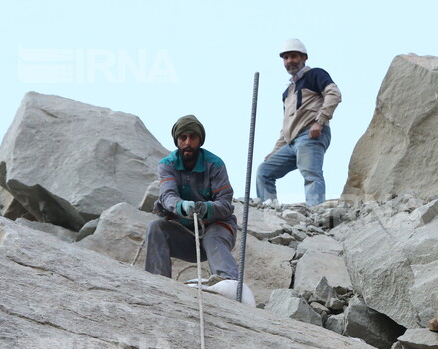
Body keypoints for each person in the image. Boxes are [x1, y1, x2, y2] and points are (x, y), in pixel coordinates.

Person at [145, 115, 239, 283]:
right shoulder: (167, 165)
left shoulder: (215, 165)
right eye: (183, 138)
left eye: (192, 137)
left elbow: (225, 204)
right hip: (185, 234)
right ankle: (158, 283)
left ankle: (228, 282)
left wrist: (206, 208)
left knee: (212, 237)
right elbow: (167, 195)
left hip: (216, 228)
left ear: (200, 140)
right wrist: (180, 206)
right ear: (177, 141)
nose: (188, 143)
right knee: (156, 228)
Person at [256, 38, 342, 208]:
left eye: (293, 56)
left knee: (311, 174)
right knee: (264, 171)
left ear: (304, 57)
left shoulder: (315, 75)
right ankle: (269, 209)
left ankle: (316, 213)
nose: (290, 61)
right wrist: (275, 150)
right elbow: (287, 127)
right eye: (286, 58)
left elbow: (334, 94)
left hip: (310, 134)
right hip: (292, 141)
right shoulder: (287, 92)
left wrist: (320, 121)